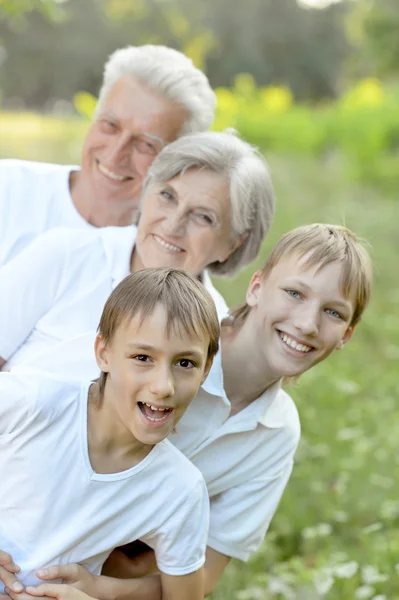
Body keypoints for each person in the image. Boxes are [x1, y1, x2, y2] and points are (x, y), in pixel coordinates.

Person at [1, 223, 371, 600]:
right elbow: (27, 424)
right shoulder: (155, 336)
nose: (308, 324)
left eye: (334, 313)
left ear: (347, 334)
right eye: (294, 293)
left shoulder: (270, 435)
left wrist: (99, 591)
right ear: (256, 287)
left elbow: (196, 579)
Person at [0, 267, 221, 600]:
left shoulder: (179, 490)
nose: (163, 386)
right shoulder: (34, 404)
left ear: (206, 368)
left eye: (185, 363)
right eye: (142, 357)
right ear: (103, 352)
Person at [0, 130, 275, 372]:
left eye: (203, 217)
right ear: (146, 193)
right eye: (167, 196)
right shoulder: (66, 254)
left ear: (233, 244)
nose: (172, 225)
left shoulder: (213, 333)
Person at [0, 45, 216, 267]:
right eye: (110, 125)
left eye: (145, 144)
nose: (115, 154)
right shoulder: (8, 187)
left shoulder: (159, 261)